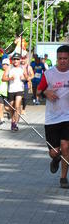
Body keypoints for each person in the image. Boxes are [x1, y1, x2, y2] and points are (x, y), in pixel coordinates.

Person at [37, 44, 69, 189]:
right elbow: (38, 91)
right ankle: (55, 158)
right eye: (60, 58)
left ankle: (63, 178)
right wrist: (45, 93)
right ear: (56, 59)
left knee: (66, 147)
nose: (62, 61)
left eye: (65, 58)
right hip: (52, 118)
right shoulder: (49, 74)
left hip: (67, 117)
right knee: (54, 152)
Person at [2, 52, 29, 131]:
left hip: (19, 89)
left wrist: (23, 78)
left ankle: (15, 123)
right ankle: (12, 121)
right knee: (11, 107)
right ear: (12, 60)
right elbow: (3, 78)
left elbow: (27, 78)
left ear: (20, 60)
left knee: (17, 106)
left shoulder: (22, 68)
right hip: (11, 90)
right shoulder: (9, 68)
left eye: (17, 59)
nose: (16, 61)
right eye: (14, 59)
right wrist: (10, 78)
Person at [0, 58, 11, 124]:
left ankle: (8, 112)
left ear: (8, 65)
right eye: (3, 64)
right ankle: (2, 120)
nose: (4, 66)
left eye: (6, 64)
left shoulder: (10, 72)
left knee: (6, 108)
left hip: (7, 92)